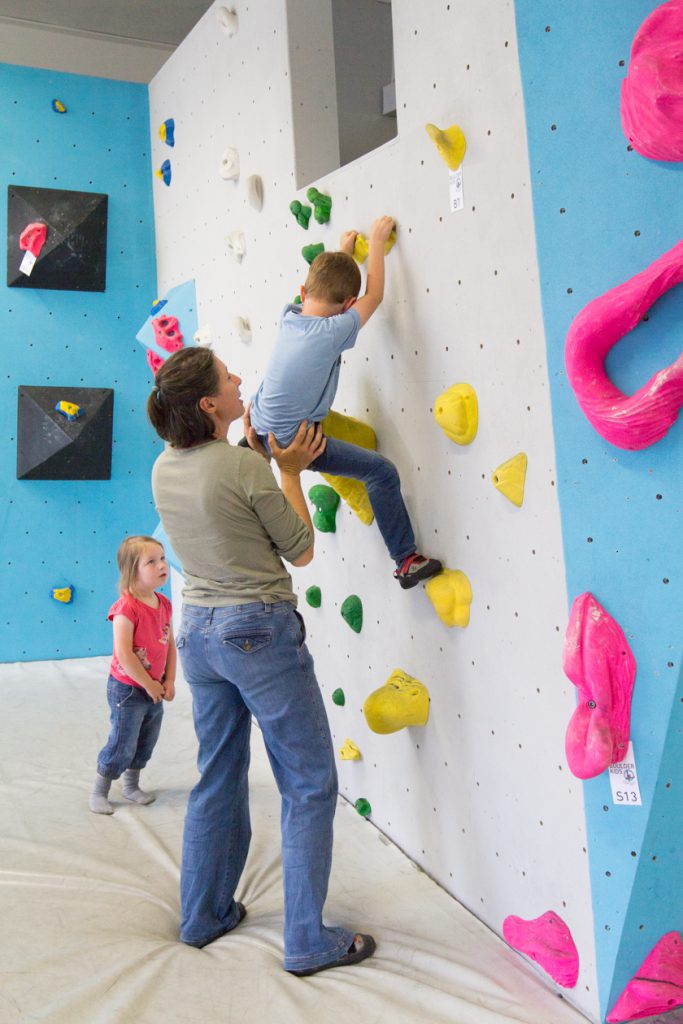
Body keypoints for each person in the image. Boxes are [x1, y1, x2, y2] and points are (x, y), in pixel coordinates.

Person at [147, 345, 375, 976]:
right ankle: (307, 940)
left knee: (216, 775)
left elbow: (224, 504)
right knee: (308, 784)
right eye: (227, 377)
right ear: (208, 403)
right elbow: (299, 550)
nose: (240, 377)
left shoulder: (165, 467)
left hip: (197, 633)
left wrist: (252, 455)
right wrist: (291, 472)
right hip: (259, 633)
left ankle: (204, 914)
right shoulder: (245, 471)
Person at [247, 215, 442, 589]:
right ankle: (406, 559)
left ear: (302, 292)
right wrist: (379, 244)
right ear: (346, 305)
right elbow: (375, 297)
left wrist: (344, 253)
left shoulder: (290, 316)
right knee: (381, 472)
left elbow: (331, 292)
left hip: (259, 422)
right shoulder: (335, 329)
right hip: (296, 441)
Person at [89, 536, 176, 815]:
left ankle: (131, 785)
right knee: (122, 741)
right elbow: (124, 654)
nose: (162, 565)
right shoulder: (126, 608)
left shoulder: (163, 603)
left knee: (146, 739)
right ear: (132, 571)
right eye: (151, 561)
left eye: (162, 558)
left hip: (154, 687)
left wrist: (169, 679)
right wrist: (148, 683)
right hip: (128, 689)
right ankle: (99, 790)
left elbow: (170, 643)